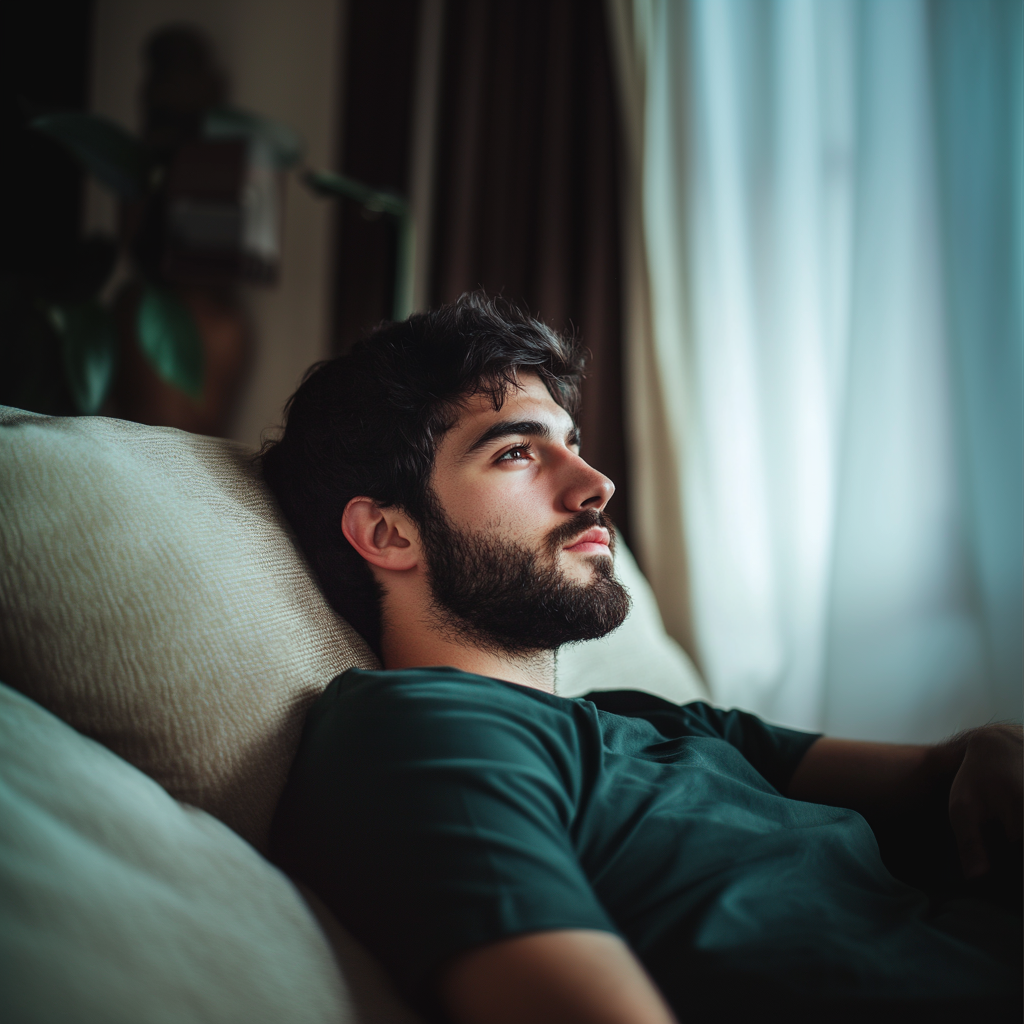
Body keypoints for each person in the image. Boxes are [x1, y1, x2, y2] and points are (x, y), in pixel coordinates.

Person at [262, 294, 1021, 1024]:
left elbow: (938, 778)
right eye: (517, 453)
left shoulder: (643, 719)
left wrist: (990, 747)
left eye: (573, 445)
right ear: (389, 534)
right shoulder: (419, 736)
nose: (595, 486)